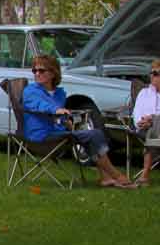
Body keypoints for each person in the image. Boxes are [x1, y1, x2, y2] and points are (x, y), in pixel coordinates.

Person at [23, 54, 135, 188]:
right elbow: (38, 105)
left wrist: (66, 121)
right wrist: (56, 110)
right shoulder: (30, 91)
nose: (37, 74)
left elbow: (59, 117)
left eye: (41, 70)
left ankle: (105, 177)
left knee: (95, 133)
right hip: (40, 137)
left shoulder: (59, 93)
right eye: (34, 70)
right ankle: (116, 175)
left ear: (53, 73)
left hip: (58, 134)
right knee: (92, 135)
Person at [131, 58, 160, 186]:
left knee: (156, 123)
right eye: (151, 73)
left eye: (156, 73)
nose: (153, 76)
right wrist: (141, 122)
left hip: (156, 127)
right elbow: (136, 112)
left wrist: (153, 119)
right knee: (152, 128)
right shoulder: (144, 93)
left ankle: (145, 176)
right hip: (145, 128)